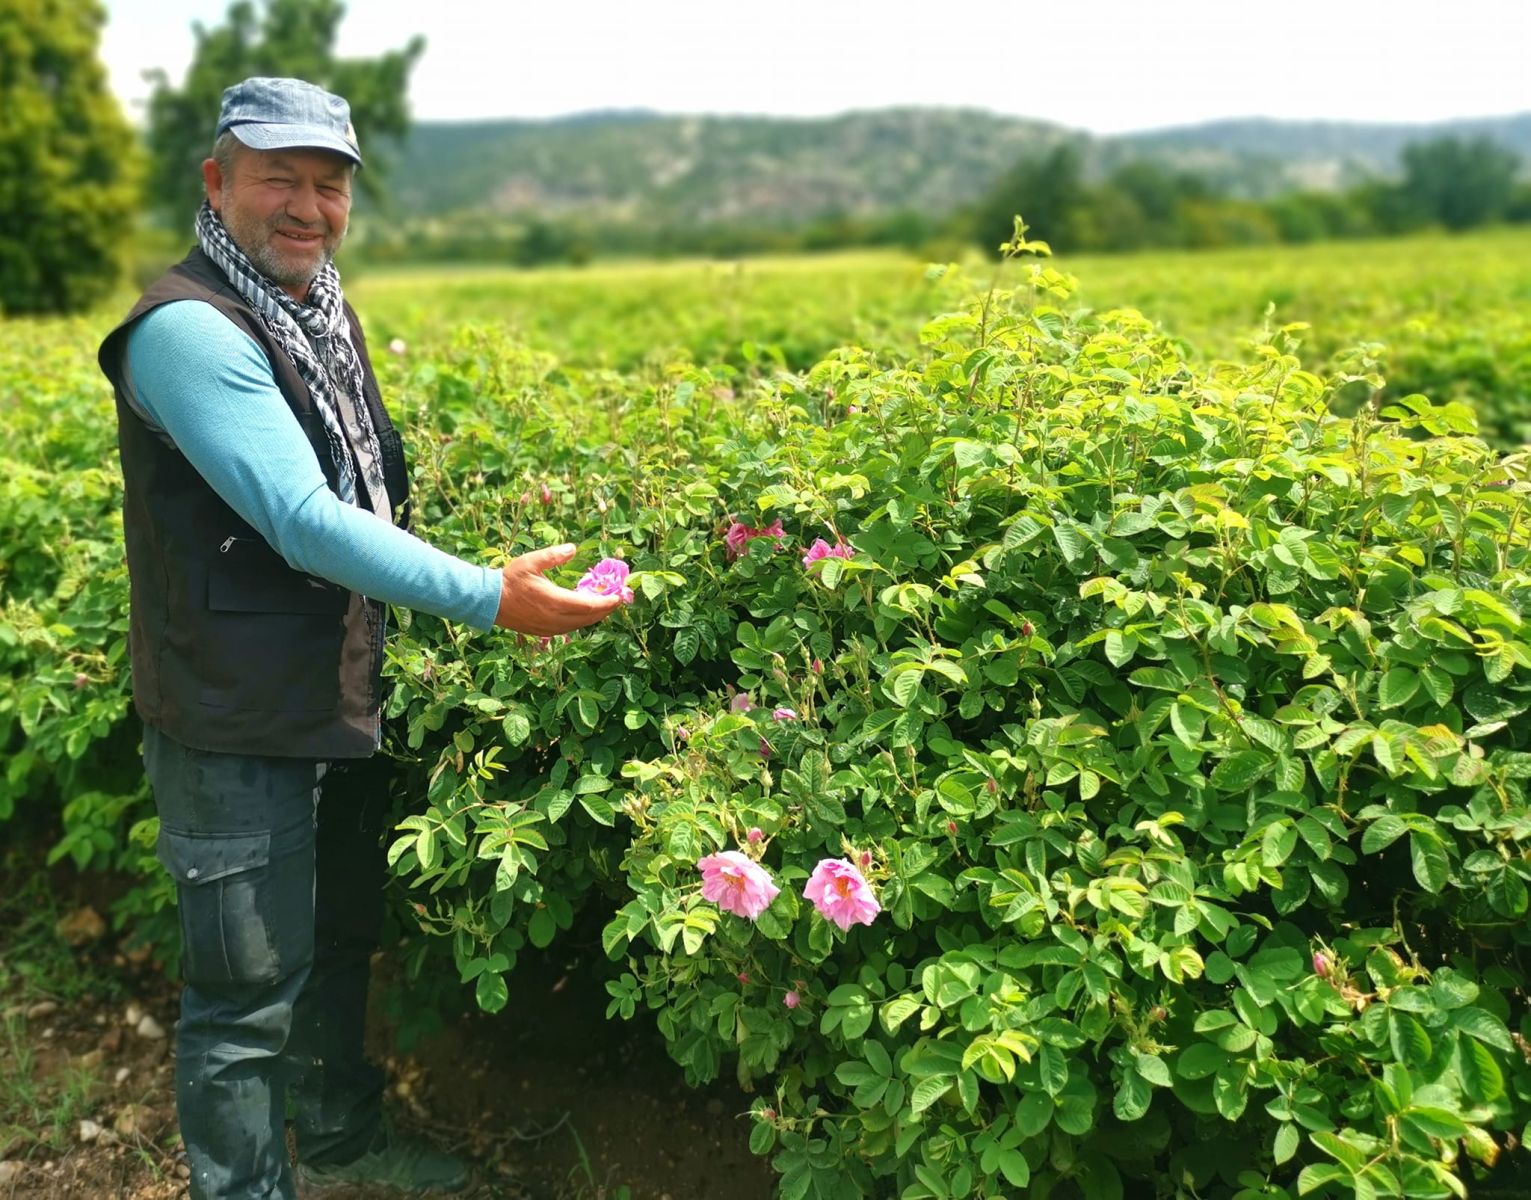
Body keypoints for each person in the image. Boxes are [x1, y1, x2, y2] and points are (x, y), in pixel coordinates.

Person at [97, 76, 621, 1199]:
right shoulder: (189, 329)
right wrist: (490, 595)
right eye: (277, 176)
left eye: (327, 185)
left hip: (333, 694)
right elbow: (302, 516)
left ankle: (341, 1143)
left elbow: (365, 484)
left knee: (336, 949)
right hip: (232, 717)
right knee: (242, 1002)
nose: (306, 205)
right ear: (216, 180)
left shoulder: (316, 307)